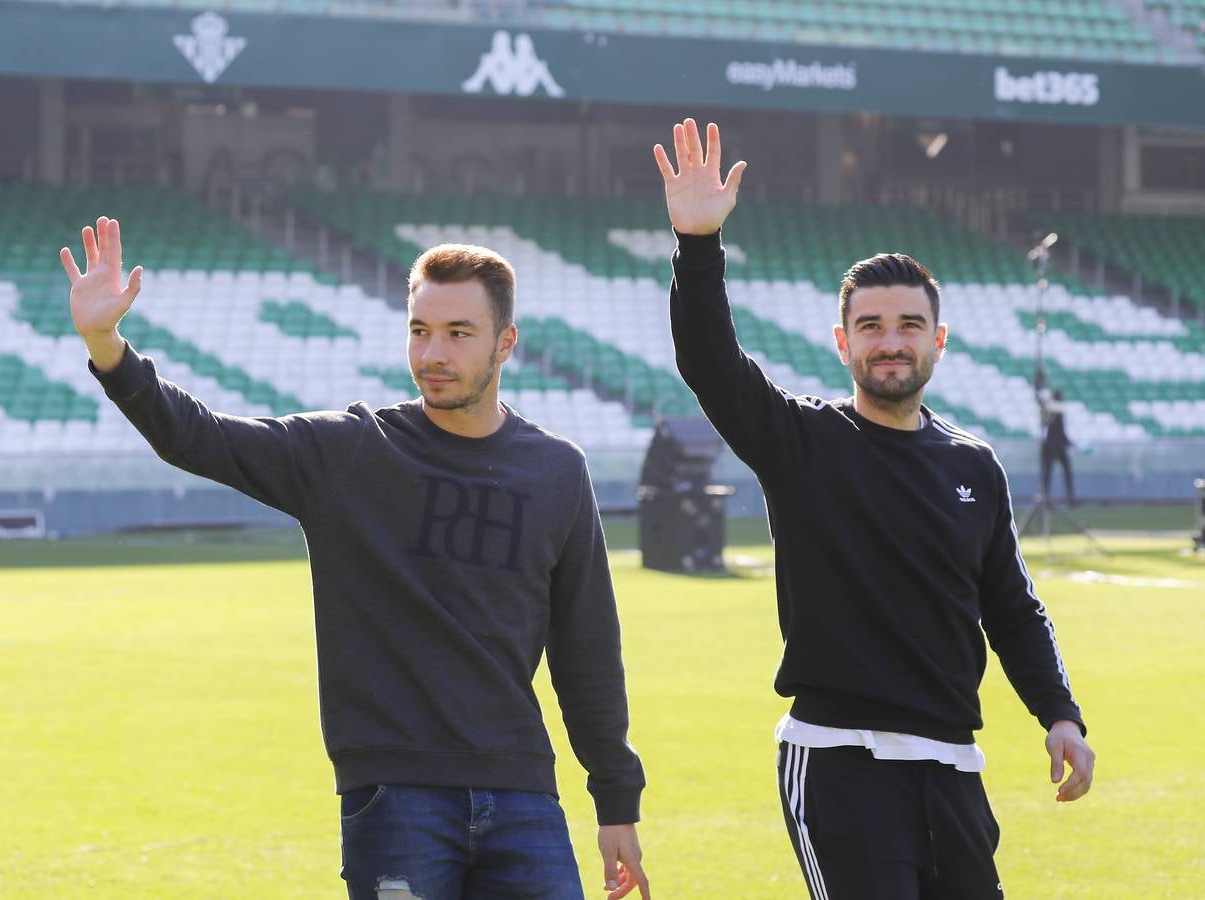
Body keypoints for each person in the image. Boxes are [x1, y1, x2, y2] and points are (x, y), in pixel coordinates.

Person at [59, 217, 649, 900]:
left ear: (504, 342)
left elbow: (587, 651)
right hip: (395, 799)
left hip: (523, 796)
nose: (433, 352)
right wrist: (106, 344)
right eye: (419, 330)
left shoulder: (555, 470)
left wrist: (615, 803)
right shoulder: (350, 451)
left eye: (458, 333)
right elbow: (198, 438)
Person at [654, 119, 1094, 898]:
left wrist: (1058, 712)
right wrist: (696, 244)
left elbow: (1011, 608)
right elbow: (710, 364)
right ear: (841, 342)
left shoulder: (973, 466)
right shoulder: (800, 440)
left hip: (952, 767)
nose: (889, 342)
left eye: (907, 326)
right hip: (839, 761)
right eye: (870, 327)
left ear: (938, 340)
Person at [1040, 388, 1076, 507]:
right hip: (1057, 447)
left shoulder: (1049, 409)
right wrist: (1069, 443)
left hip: (1048, 446)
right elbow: (1060, 430)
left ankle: (1045, 498)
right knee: (1066, 472)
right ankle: (1070, 498)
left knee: (1047, 474)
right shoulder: (1057, 411)